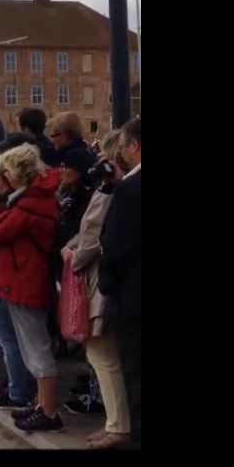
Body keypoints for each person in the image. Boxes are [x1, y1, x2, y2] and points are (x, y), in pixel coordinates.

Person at [0, 143, 62, 432]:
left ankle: (48, 411)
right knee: (30, 347)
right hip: (23, 280)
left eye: (2, 175)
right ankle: (39, 404)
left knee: (36, 350)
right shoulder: (30, 200)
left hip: (26, 282)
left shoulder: (30, 204)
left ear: (14, 175)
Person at [64, 129, 132, 449]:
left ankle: (117, 424)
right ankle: (116, 422)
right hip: (113, 282)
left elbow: (91, 235)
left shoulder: (115, 190)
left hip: (102, 283)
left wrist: (74, 256)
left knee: (102, 354)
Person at [98, 116, 141, 446]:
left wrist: (108, 286)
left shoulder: (128, 189)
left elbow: (114, 246)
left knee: (136, 375)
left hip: (134, 298)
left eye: (125, 146)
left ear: (134, 147)